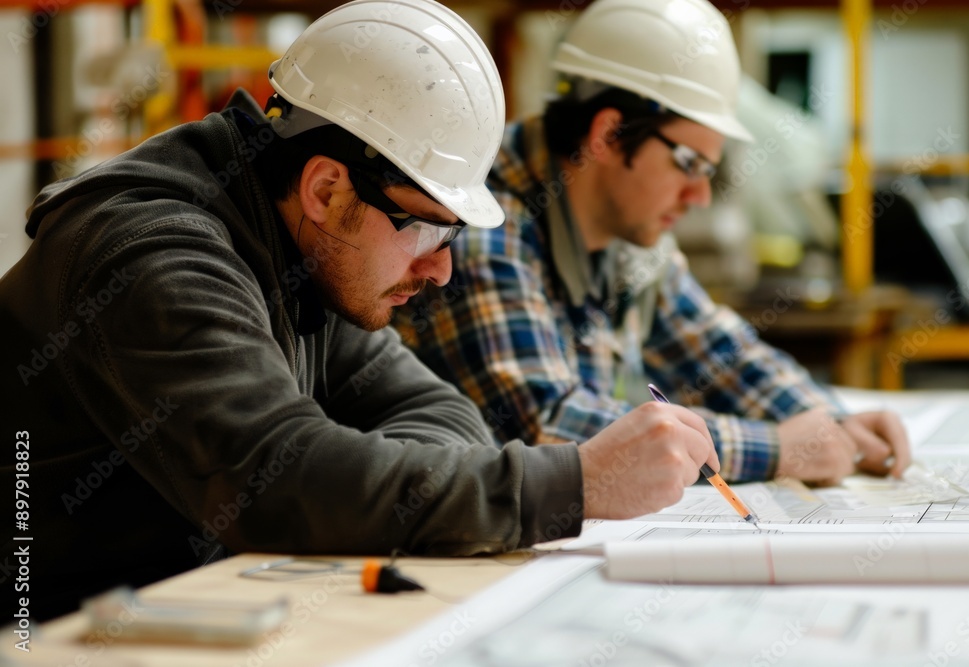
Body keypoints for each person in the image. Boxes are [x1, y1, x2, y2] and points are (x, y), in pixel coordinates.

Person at [1, 0, 719, 622]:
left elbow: (444, 416)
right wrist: (573, 483)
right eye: (428, 229)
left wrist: (356, 480)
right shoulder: (154, 257)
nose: (440, 268)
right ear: (325, 188)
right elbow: (281, 481)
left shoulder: (305, 252)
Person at [395, 0, 911, 487]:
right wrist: (776, 447)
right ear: (610, 134)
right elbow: (546, 427)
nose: (701, 195)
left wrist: (826, 421)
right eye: (689, 164)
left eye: (709, 170)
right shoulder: (484, 223)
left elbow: (719, 354)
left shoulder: (629, 233)